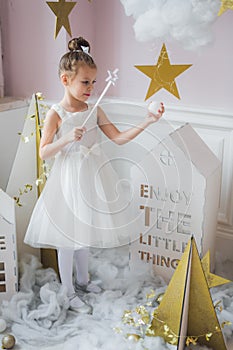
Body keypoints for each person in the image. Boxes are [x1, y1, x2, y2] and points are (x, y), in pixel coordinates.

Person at [24, 37, 165, 314]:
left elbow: (119, 138)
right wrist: (67, 140)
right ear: (65, 80)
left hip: (92, 175)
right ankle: (67, 290)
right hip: (68, 179)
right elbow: (44, 153)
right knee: (68, 235)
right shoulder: (57, 113)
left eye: (94, 83)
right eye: (85, 82)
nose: (91, 88)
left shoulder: (94, 109)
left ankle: (83, 280)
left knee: (85, 232)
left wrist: (147, 121)